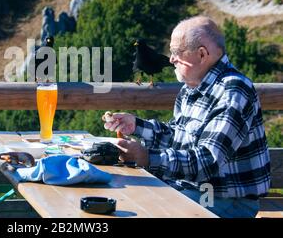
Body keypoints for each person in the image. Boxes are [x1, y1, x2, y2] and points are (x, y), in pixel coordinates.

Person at [103, 16, 271, 218]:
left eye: (176, 52)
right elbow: (178, 136)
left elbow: (208, 161)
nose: (171, 59)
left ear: (201, 54)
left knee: (134, 211)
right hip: (194, 190)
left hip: (225, 199)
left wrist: (147, 157)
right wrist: (136, 126)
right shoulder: (192, 87)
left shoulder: (233, 90)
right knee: (116, 202)